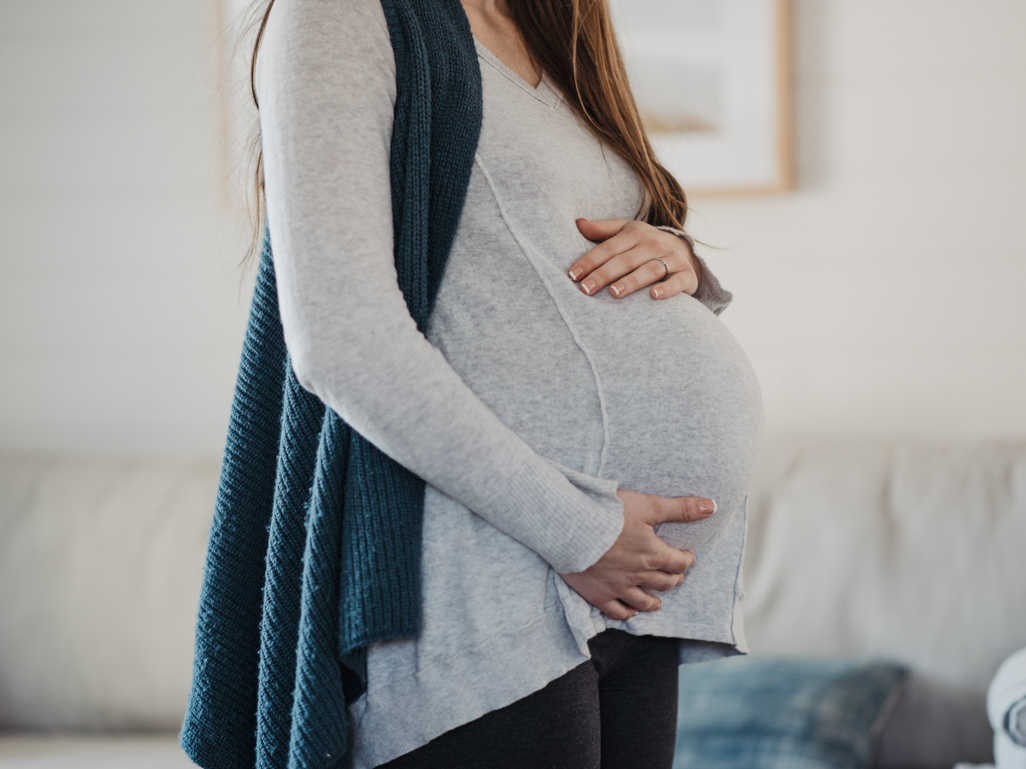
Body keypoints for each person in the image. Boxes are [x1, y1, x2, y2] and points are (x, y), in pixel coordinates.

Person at [251, 0, 763, 767]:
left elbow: (560, 243)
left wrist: (673, 254)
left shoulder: (560, 24)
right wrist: (582, 532)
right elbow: (342, 339)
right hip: (488, 588)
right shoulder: (342, 14)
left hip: (634, 595)